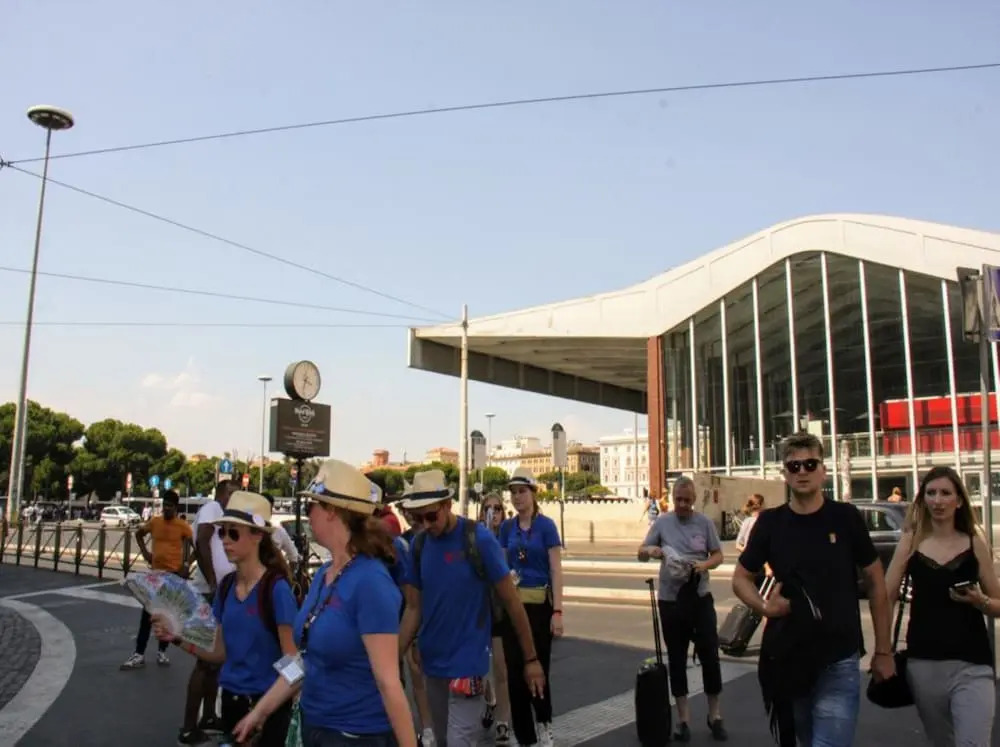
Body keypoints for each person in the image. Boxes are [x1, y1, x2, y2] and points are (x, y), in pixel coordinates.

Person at [233, 459, 417, 747]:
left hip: (358, 737)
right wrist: (261, 712)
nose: (307, 515)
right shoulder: (323, 575)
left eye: (311, 507)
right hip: (316, 728)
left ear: (332, 511)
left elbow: (389, 683)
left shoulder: (370, 582)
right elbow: (305, 659)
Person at [732, 431, 894, 747]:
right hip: (790, 657)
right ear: (785, 473)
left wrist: (884, 651)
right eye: (794, 466)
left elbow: (876, 582)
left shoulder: (845, 517)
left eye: (810, 464)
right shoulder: (770, 523)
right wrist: (765, 607)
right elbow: (741, 578)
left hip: (839, 658)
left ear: (823, 470)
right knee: (804, 741)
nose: (802, 471)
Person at [398, 470, 545, 747]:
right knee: (442, 740)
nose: (426, 524)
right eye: (418, 518)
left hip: (468, 665)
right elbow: (413, 608)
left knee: (459, 741)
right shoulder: (418, 546)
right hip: (433, 664)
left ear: (447, 505)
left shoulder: (478, 539)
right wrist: (391, 661)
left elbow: (512, 602)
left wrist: (531, 660)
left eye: (431, 516)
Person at [154, 491, 298, 746]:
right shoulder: (227, 586)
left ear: (257, 536)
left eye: (234, 533)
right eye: (222, 532)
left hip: (267, 710)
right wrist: (176, 637)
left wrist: (263, 713)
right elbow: (219, 652)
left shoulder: (276, 589)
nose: (224, 541)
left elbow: (294, 665)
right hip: (232, 703)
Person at [884, 466, 999, 746]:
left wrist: (979, 600)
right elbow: (886, 596)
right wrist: (882, 651)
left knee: (973, 742)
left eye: (945, 493)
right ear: (923, 500)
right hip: (924, 664)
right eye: (931, 493)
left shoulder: (974, 543)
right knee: (943, 742)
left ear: (959, 500)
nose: (937, 500)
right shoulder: (911, 542)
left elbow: (998, 603)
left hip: (973, 663)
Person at [638, 476, 727, 742]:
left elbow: (718, 555)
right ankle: (683, 719)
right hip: (671, 599)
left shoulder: (705, 523)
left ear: (694, 500)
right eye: (678, 500)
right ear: (672, 498)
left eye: (687, 501)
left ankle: (715, 715)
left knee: (709, 654)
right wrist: (653, 551)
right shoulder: (663, 522)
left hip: (699, 596)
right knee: (676, 658)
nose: (683, 506)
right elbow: (641, 551)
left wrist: (703, 566)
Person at [496, 470, 563, 747]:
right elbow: (501, 566)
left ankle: (544, 723)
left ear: (533, 493)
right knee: (514, 671)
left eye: (522, 491)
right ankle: (524, 735)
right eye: (513, 492)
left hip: (539, 606)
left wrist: (557, 611)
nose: (517, 497)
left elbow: (556, 570)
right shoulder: (506, 529)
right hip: (514, 605)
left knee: (538, 667)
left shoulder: (546, 526)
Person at [179, 479, 238, 743]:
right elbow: (201, 541)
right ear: (223, 494)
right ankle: (189, 727)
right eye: (234, 493)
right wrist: (213, 580)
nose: (236, 499)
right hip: (210, 593)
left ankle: (209, 715)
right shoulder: (213, 508)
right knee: (205, 662)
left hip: (219, 592)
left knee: (215, 662)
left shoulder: (220, 513)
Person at [120, 490, 192, 670]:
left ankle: (162, 651)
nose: (166, 509)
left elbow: (194, 546)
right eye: (164, 505)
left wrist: (186, 564)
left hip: (173, 576)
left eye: (170, 506)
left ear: (176, 507)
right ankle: (139, 653)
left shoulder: (183, 526)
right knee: (147, 616)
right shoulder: (155, 522)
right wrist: (145, 553)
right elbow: (139, 534)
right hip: (155, 576)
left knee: (167, 616)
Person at [479, 493, 512, 745]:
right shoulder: (476, 538)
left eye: (498, 508)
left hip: (500, 608)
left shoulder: (509, 535)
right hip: (479, 609)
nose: (493, 512)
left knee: (501, 667)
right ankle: (490, 702)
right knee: (480, 670)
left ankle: (503, 720)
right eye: (488, 508)